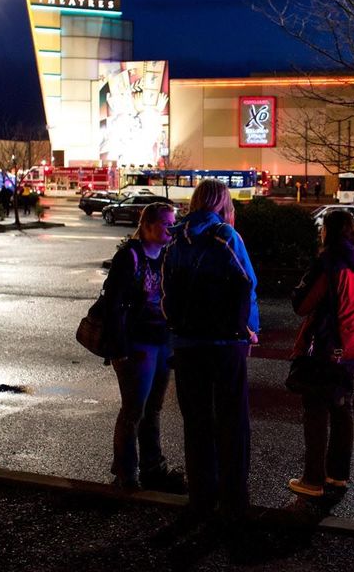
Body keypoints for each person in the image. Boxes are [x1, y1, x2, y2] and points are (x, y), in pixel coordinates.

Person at [161, 179, 259, 521]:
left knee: (197, 421)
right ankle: (234, 500)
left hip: (187, 343)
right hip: (223, 343)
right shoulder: (224, 236)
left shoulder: (176, 238)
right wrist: (249, 330)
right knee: (232, 421)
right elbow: (247, 283)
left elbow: (166, 289)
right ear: (222, 202)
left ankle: (201, 496)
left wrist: (176, 326)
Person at [287, 209, 354, 498]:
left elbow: (302, 304)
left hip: (333, 342)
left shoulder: (329, 263)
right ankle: (338, 475)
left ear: (327, 230)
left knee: (315, 405)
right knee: (342, 406)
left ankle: (313, 479)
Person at [101, 201, 186, 492]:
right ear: (148, 225)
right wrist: (120, 349)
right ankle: (127, 473)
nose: (171, 229)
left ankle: (153, 466)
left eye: (173, 222)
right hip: (137, 344)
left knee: (154, 409)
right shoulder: (130, 257)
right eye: (166, 223)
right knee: (134, 410)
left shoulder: (167, 256)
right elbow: (113, 304)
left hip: (162, 341)